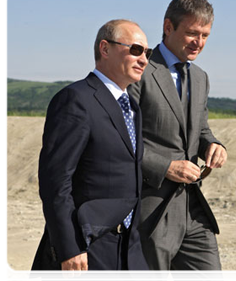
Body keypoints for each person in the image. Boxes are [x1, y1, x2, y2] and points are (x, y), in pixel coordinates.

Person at [29, 19, 152, 281]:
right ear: (105, 49)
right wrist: (70, 247)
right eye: (136, 50)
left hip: (129, 253)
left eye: (148, 53)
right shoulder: (76, 100)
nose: (144, 60)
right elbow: (55, 182)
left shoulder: (132, 107)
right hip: (87, 253)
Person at [128, 0, 227, 281]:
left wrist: (213, 144)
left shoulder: (200, 77)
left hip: (193, 209)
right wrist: (165, 167)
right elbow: (120, 137)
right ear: (168, 27)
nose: (199, 42)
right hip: (151, 209)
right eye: (192, 33)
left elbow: (200, 129)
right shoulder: (139, 69)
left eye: (206, 35)